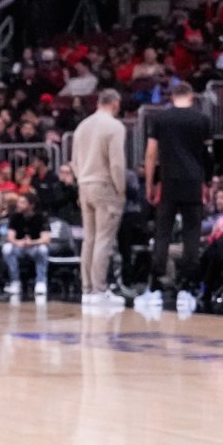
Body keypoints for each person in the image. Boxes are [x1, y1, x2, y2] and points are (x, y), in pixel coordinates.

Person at [144, 80, 213, 297]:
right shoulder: (202, 120)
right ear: (191, 97)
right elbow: (208, 154)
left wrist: (150, 183)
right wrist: (208, 182)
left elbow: (151, 153)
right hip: (194, 181)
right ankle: (190, 283)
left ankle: (158, 280)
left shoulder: (160, 119)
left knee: (162, 232)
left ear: (172, 97)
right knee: (192, 233)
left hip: (168, 181)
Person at [70, 90, 126, 297]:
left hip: (84, 184)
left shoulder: (82, 126)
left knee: (89, 239)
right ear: (115, 103)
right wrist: (120, 189)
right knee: (104, 239)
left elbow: (74, 162)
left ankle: (87, 288)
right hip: (104, 184)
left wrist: (80, 181)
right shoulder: (114, 126)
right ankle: (99, 289)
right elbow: (117, 164)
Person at [0, 192, 50, 296]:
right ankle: (15, 281)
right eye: (19, 202)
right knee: (7, 248)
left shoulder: (41, 217)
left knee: (43, 249)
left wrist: (32, 242)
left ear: (31, 205)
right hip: (20, 247)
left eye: (22, 202)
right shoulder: (15, 217)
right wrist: (18, 242)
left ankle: (41, 282)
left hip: (34, 246)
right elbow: (10, 237)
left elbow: (46, 239)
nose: (19, 205)